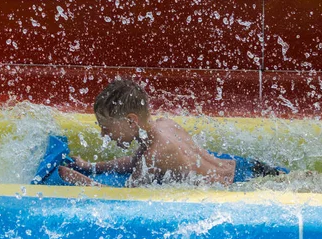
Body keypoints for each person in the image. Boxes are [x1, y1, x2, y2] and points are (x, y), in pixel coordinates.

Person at [58, 79, 285, 187]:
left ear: (131, 121)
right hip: (243, 168)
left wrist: (84, 182)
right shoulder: (164, 125)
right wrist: (93, 167)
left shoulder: (155, 154)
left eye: (106, 127)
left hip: (240, 187)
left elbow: (128, 196)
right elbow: (133, 161)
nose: (104, 135)